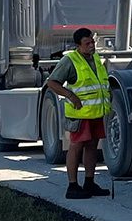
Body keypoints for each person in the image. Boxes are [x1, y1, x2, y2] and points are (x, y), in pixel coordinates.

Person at [45, 27, 111, 200]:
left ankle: (89, 182)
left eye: (92, 42)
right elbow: (52, 82)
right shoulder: (70, 60)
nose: (91, 46)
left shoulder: (95, 58)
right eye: (87, 43)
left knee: (92, 146)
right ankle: (72, 186)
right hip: (80, 113)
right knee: (76, 147)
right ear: (78, 45)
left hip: (95, 112)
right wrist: (70, 96)